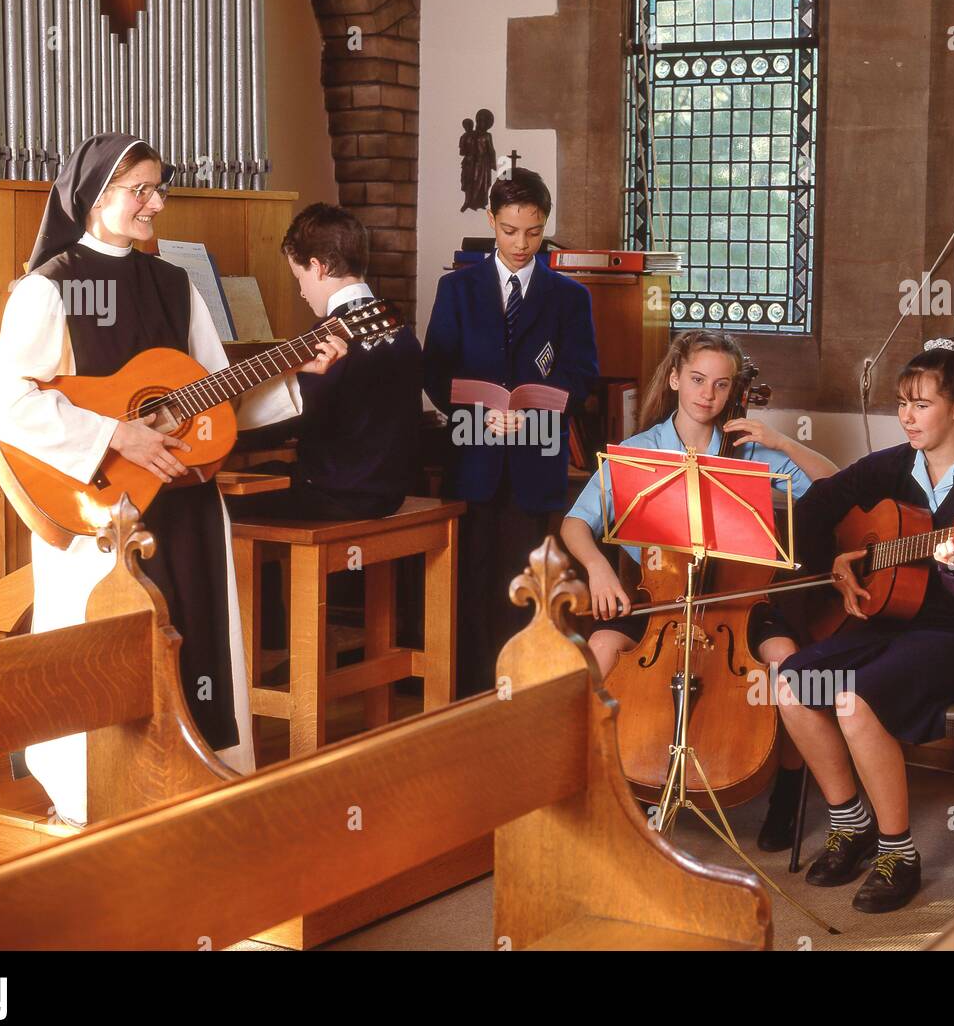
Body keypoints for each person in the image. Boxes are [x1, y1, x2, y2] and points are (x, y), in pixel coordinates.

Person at [0, 133, 346, 826]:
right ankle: (95, 800)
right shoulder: (47, 287)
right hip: (101, 504)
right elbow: (1, 402)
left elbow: (214, 394)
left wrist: (297, 372)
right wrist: (114, 432)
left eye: (159, 188)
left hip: (186, 501)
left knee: (198, 637)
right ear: (93, 195)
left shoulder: (174, 285)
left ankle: (196, 790)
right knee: (106, 652)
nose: (155, 203)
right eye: (137, 189)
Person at [777, 337, 954, 912]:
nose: (907, 416)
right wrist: (840, 564)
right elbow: (819, 504)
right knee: (792, 681)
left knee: (855, 700)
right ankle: (851, 822)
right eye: (902, 402)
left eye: (921, 404)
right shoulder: (893, 465)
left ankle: (898, 852)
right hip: (895, 627)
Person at [559, 329, 838, 849]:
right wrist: (598, 569)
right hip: (660, 597)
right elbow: (576, 524)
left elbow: (837, 487)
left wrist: (781, 442)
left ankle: (788, 794)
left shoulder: (752, 451)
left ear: (733, 390)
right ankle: (610, 787)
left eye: (721, 384)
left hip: (736, 600)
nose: (707, 394)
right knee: (599, 649)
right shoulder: (638, 451)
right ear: (674, 379)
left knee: (786, 660)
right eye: (697, 380)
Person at [423, 167, 599, 696]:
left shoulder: (570, 298)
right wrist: (479, 416)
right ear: (491, 222)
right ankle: (470, 696)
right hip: (471, 457)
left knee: (523, 584)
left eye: (532, 231)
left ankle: (518, 691)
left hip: (534, 458)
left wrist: (532, 414)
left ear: (545, 223)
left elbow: (582, 377)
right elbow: (435, 371)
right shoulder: (456, 289)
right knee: (469, 583)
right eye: (509, 231)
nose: (522, 244)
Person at [225, 202, 423, 523]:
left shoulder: (330, 334)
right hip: (390, 488)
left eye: (299, 277)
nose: (302, 291)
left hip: (340, 492)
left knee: (215, 500)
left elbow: (287, 421)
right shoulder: (397, 325)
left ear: (317, 267)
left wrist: (227, 431)